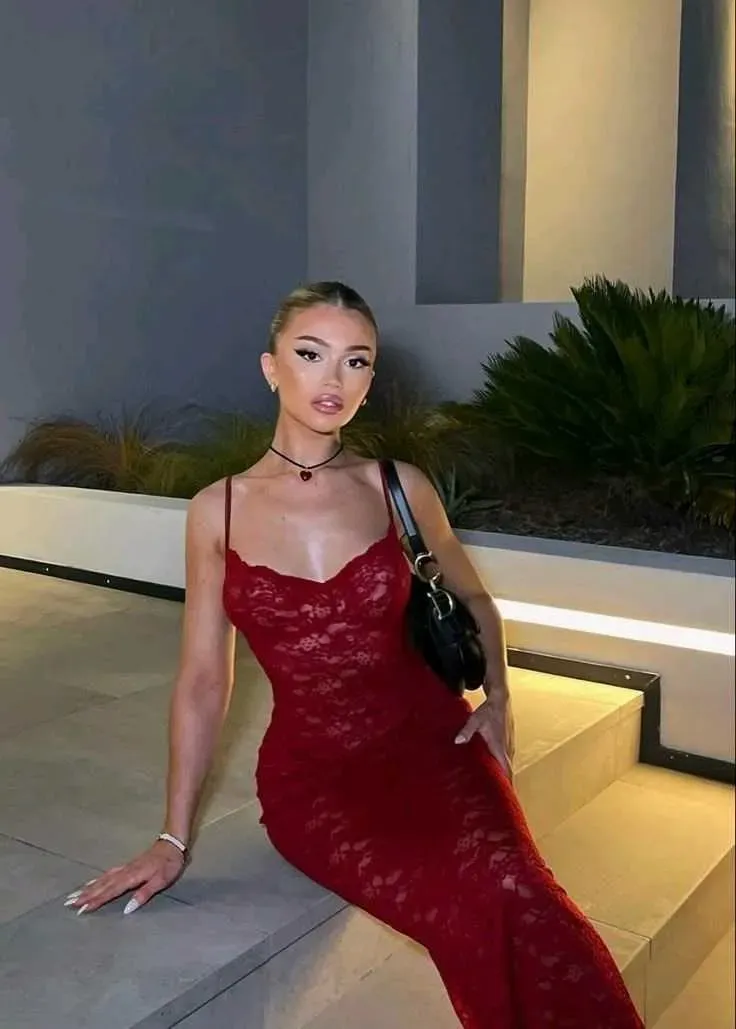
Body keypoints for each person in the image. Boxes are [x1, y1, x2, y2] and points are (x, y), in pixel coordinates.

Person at [64, 282, 644, 1028]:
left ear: (370, 380)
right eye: (312, 354)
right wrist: (172, 836)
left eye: (356, 360)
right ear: (271, 367)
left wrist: (499, 697)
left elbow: (475, 599)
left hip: (434, 741)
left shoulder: (396, 486)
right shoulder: (218, 509)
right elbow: (205, 679)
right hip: (315, 782)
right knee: (462, 908)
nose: (334, 378)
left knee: (512, 884)